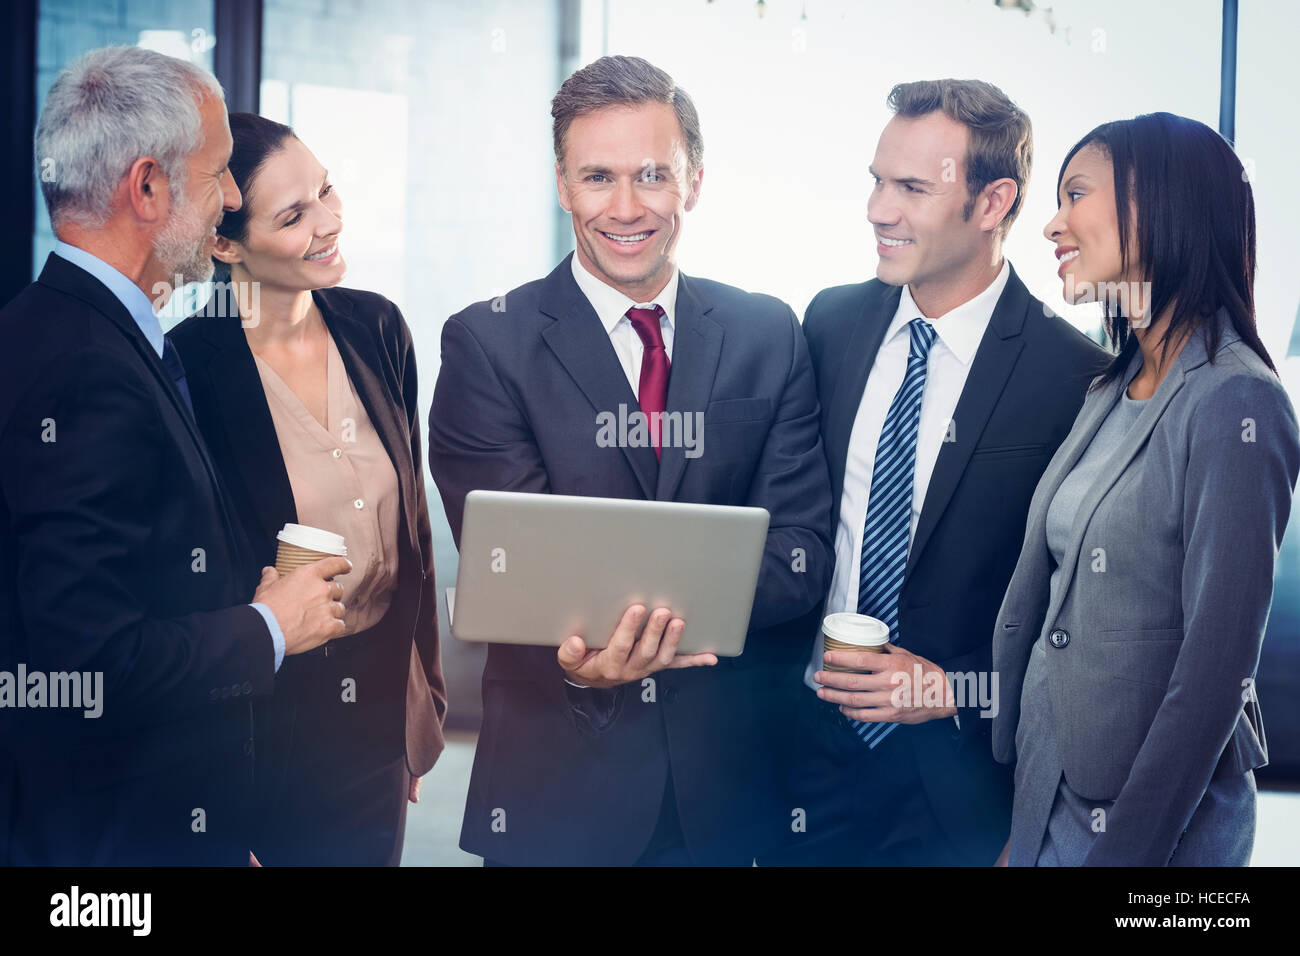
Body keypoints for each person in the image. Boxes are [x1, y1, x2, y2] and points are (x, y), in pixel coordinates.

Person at [427, 54, 833, 866]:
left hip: (728, 791)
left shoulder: (767, 333)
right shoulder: (488, 343)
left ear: (695, 180)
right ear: (562, 185)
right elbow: (514, 568)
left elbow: (802, 550)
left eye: (652, 175)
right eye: (597, 177)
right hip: (557, 788)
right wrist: (650, 622)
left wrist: (652, 619)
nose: (625, 208)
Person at [0, 46, 348, 865]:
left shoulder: (61, 331)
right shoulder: (85, 370)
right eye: (222, 172)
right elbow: (88, 665)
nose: (232, 199)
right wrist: (269, 626)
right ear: (149, 188)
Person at [767, 79, 1109, 866]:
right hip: (804, 760)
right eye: (878, 181)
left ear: (993, 203)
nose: (879, 210)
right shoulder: (829, 322)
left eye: (913, 188)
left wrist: (961, 689)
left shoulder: (1077, 377)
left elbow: (1088, 616)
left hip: (962, 783)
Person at [992, 112, 1300, 866]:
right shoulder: (1112, 387)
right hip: (1052, 800)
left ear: (1159, 204)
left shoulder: (1236, 401)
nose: (1052, 225)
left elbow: (1213, 674)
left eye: (1076, 195)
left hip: (1148, 835)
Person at [168, 113, 448, 866]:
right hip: (263, 728)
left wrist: (418, 716)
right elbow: (189, 593)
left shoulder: (379, 329)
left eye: (325, 190)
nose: (328, 223)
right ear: (225, 244)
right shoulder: (186, 369)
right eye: (294, 215)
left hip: (381, 715)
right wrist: (220, 806)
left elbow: (412, 534)